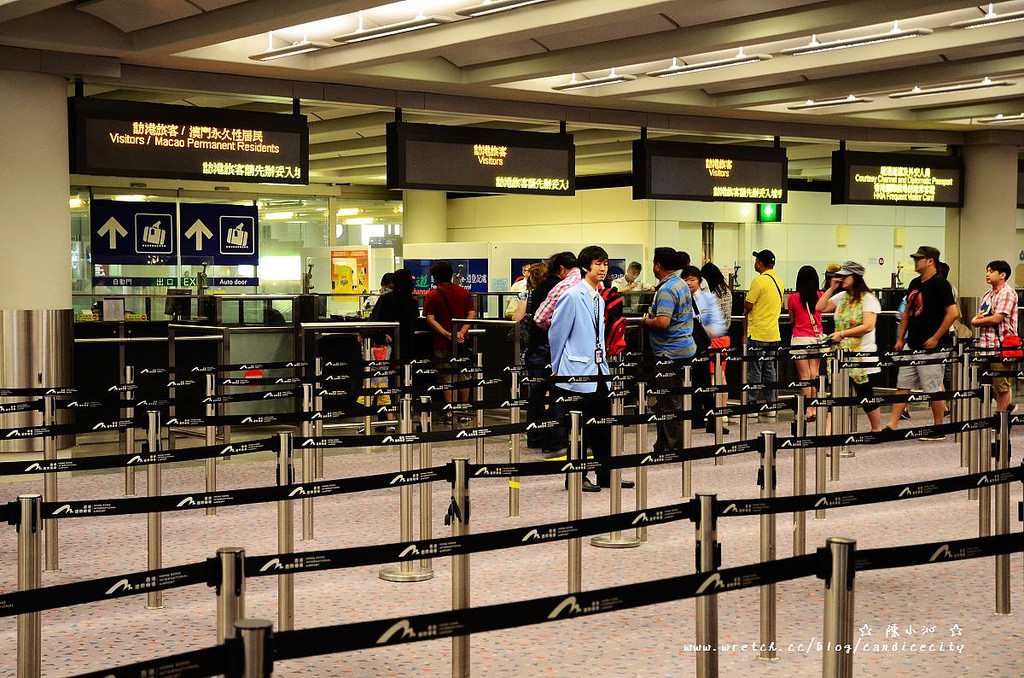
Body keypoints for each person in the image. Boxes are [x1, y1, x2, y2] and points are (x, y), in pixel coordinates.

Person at [550, 246, 629, 491]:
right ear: (586, 267)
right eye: (598, 264)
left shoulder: (599, 297)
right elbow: (557, 333)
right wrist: (556, 367)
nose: (603, 268)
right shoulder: (572, 295)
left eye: (605, 264)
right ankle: (576, 476)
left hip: (599, 371)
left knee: (603, 426)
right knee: (579, 427)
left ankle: (606, 475)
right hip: (576, 371)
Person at [884, 246, 958, 437]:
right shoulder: (915, 283)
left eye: (919, 259)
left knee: (932, 388)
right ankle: (892, 424)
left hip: (933, 346)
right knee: (903, 385)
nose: (916, 262)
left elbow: (952, 313)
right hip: (912, 343)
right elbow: (907, 312)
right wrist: (900, 338)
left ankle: (938, 427)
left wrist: (935, 337)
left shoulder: (941, 284)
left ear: (930, 260)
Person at [816, 261, 883, 432]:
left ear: (856, 277)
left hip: (862, 356)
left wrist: (843, 334)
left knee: (866, 395)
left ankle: (876, 429)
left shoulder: (868, 299)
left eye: (845, 276)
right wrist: (831, 288)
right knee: (837, 395)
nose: (841, 279)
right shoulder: (841, 297)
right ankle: (828, 435)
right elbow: (820, 307)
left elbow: (868, 325)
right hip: (841, 355)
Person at [639, 247, 695, 451]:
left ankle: (673, 446)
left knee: (669, 401)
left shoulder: (666, 290)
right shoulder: (681, 284)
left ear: (658, 265)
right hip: (684, 349)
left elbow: (663, 322)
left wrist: (646, 322)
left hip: (668, 352)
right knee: (668, 400)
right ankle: (663, 443)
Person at [525, 252, 576, 453]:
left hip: (538, 345)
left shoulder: (543, 288)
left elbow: (538, 318)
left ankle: (535, 436)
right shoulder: (566, 287)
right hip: (557, 346)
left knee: (536, 393)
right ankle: (554, 438)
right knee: (557, 392)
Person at [423, 261, 477, 409]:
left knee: (446, 376)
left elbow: (430, 319)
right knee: (464, 375)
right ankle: (464, 409)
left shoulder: (432, 295)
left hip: (441, 342)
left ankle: (450, 409)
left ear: (434, 277)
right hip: (462, 341)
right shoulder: (464, 292)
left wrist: (447, 334)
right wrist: (462, 332)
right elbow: (471, 313)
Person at [682, 265, 728, 433]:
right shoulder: (682, 298)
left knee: (706, 383)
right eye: (685, 279)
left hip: (703, 344)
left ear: (700, 281)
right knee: (690, 382)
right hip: (686, 345)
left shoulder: (707, 298)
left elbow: (717, 323)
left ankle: (713, 420)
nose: (689, 283)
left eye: (692, 279)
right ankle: (696, 418)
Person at [971, 260, 1019, 412]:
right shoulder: (987, 294)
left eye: (991, 271)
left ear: (1002, 275)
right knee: (984, 383)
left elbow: (996, 318)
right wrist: (976, 320)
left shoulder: (1007, 293)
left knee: (1001, 385)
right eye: (987, 271)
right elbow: (981, 315)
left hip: (1001, 347)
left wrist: (976, 322)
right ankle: (1007, 408)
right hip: (985, 347)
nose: (987, 274)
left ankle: (1001, 418)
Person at [744, 249, 784, 415]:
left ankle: (752, 406)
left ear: (760, 263)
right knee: (769, 369)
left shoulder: (758, 281)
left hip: (758, 332)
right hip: (773, 333)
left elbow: (748, 305)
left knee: (755, 369)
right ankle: (771, 406)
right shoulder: (779, 281)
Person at [787, 265, 824, 421]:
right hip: (817, 338)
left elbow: (792, 320)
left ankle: (807, 409)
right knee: (814, 374)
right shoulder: (821, 295)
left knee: (804, 376)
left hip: (800, 339)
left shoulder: (793, 298)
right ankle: (814, 408)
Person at [369, 268, 419, 363]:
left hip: (388, 343)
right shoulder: (412, 302)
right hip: (407, 345)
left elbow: (375, 318)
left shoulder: (386, 299)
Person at [702, 262, 732, 390]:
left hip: (712, 339)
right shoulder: (727, 291)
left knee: (713, 376)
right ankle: (722, 406)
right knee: (721, 375)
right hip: (725, 337)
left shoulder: (710, 295)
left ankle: (715, 406)